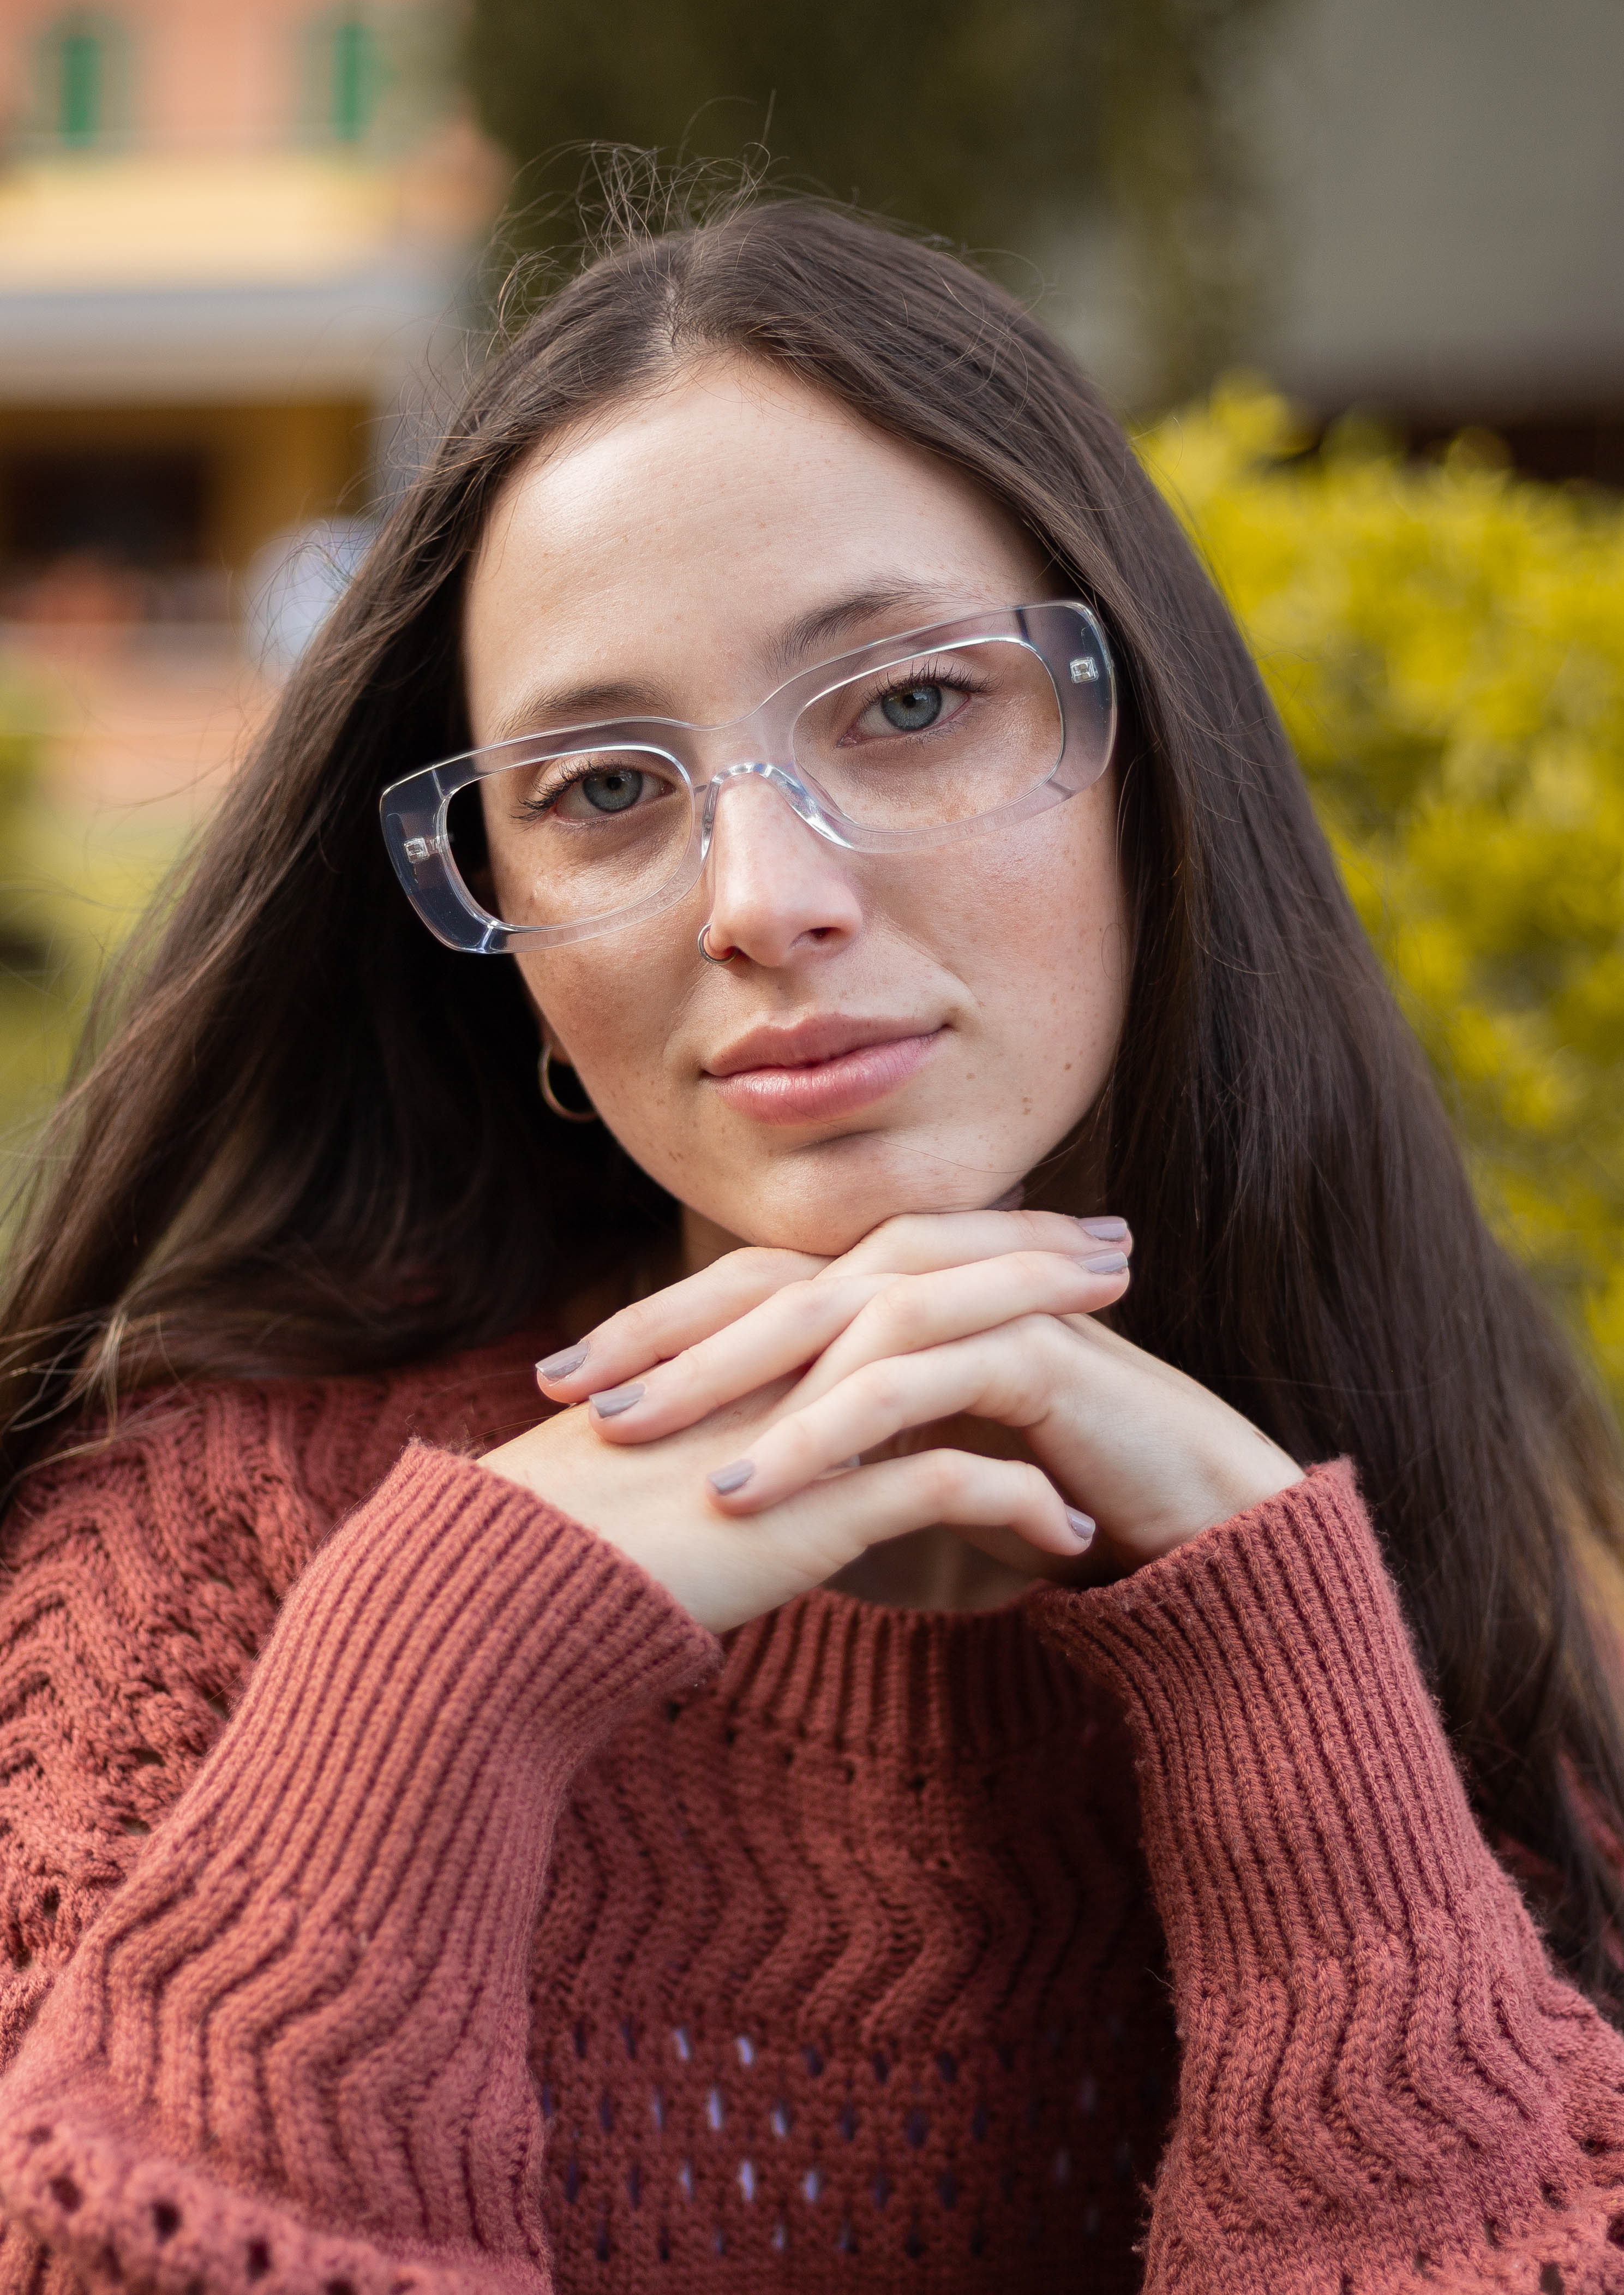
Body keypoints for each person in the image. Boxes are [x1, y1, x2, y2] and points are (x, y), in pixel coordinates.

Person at [1, 199, 1622, 2295]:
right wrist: (429, 1694)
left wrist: (1283, 1696)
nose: (757, 893)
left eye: (912, 705)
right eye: (601, 785)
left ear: (1152, 775)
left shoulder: (1497, 1584)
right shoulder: (180, 1576)